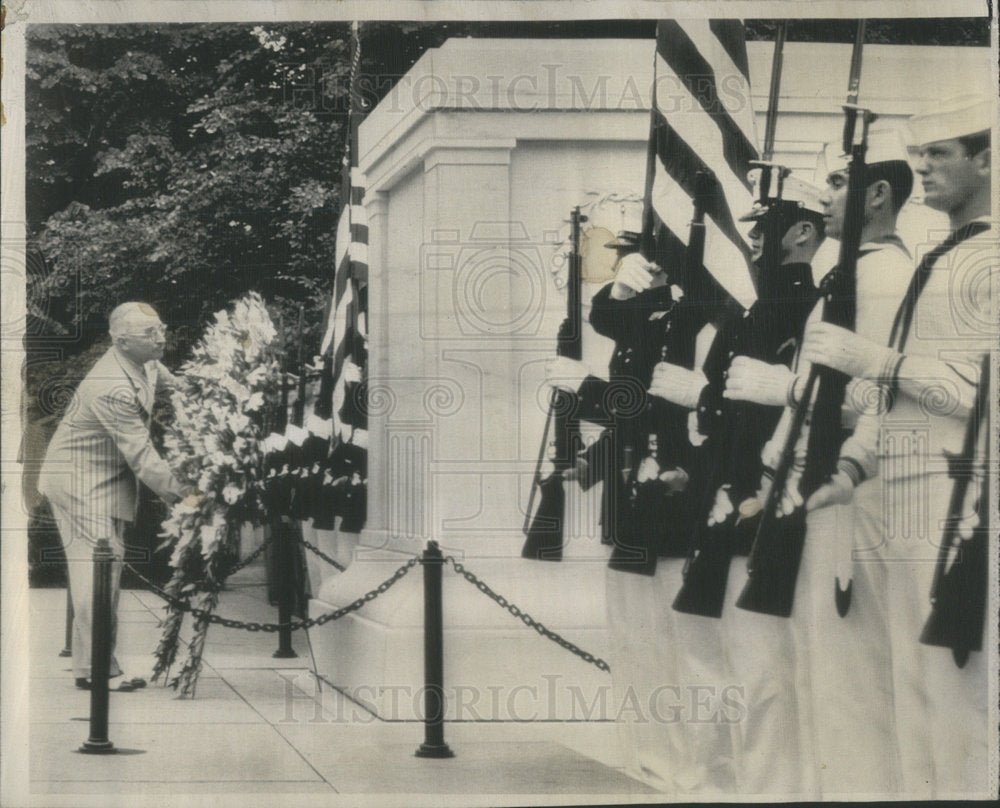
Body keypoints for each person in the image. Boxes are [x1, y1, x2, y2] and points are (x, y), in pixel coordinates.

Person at [798, 94, 994, 798]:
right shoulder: (940, 257)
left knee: (961, 700)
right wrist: (852, 465)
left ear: (986, 158)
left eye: (940, 154)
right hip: (903, 497)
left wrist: (876, 362)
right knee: (912, 695)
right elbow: (899, 397)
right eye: (920, 155)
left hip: (961, 502)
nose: (925, 168)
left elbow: (982, 398)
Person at [727, 130, 917, 795]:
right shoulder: (848, 274)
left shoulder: (889, 277)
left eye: (839, 183)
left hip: (849, 495)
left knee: (849, 689)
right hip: (805, 490)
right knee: (812, 675)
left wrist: (789, 393)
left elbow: (889, 395)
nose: (828, 195)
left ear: (878, 194)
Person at [649, 174, 824, 796]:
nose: (750, 242)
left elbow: (797, 415)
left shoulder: (808, 307)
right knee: (706, 652)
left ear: (802, 232)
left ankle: (768, 790)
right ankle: (713, 782)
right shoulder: (753, 310)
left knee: (761, 668)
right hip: (716, 498)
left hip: (758, 501)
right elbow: (726, 401)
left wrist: (754, 485)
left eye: (762, 230)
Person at [38, 302, 196, 691]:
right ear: (121, 340)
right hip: (77, 484)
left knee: (104, 571)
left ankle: (97, 666)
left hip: (100, 480)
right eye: (150, 333)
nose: (161, 337)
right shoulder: (111, 386)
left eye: (161, 328)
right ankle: (92, 674)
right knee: (98, 573)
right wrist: (189, 494)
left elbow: (179, 385)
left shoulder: (145, 362)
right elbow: (142, 457)